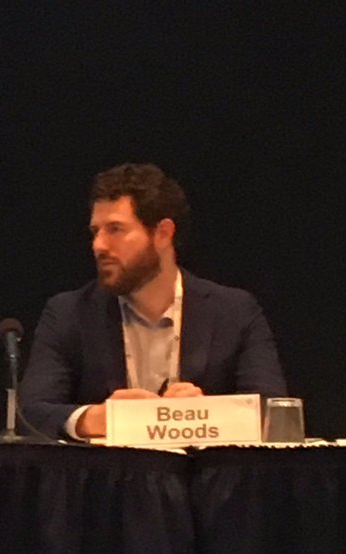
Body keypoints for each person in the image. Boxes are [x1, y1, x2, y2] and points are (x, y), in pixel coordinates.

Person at [21, 164, 287, 440]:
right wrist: (93, 418)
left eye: (115, 229)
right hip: (110, 468)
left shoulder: (234, 311)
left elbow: (274, 410)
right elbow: (30, 413)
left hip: (203, 468)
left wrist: (205, 414)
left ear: (163, 233)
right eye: (95, 231)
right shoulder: (68, 313)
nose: (98, 245)